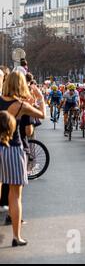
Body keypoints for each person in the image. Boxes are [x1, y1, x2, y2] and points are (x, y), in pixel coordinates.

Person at [0, 71, 46, 247]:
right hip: (13, 149)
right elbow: (42, 115)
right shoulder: (21, 105)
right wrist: (40, 97)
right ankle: (16, 236)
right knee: (15, 195)